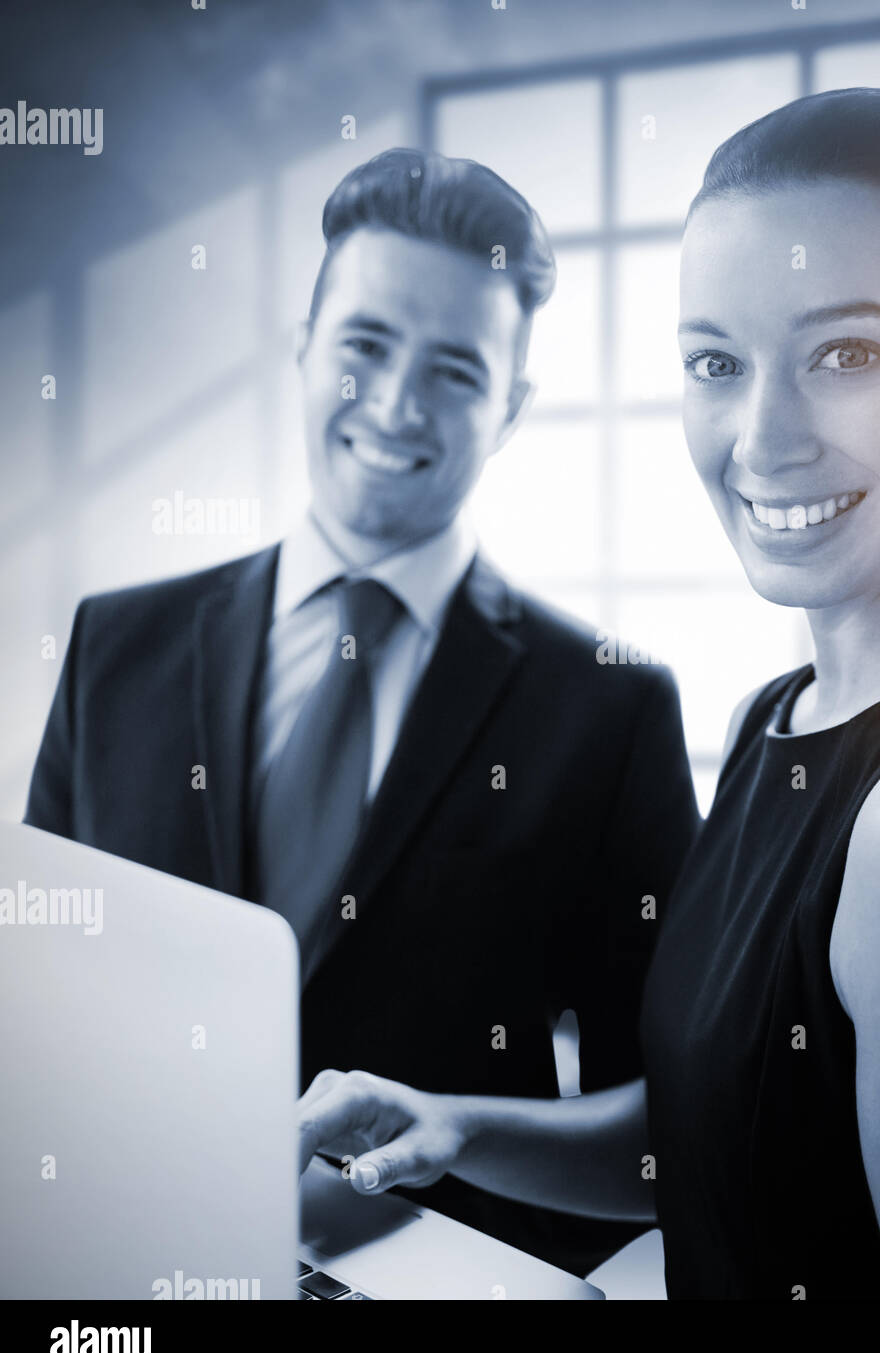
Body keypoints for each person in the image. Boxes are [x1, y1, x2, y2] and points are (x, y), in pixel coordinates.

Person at [294, 93, 880, 1300]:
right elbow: (730, 1135)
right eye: (716, 363)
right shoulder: (784, 715)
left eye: (848, 353)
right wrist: (460, 1129)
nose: (763, 437)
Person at [24, 148, 699, 1278]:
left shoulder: (609, 705)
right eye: (366, 346)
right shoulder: (114, 646)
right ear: (303, 346)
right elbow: (32, 992)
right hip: (111, 1263)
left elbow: (668, 1131)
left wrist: (468, 1141)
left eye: (455, 370)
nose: (395, 404)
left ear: (512, 408)